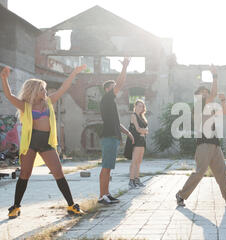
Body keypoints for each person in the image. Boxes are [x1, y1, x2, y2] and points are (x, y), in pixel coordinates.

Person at [1, 65, 86, 219]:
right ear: (34, 91)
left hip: (46, 143)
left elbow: (63, 88)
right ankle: (16, 207)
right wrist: (4, 78)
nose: (45, 92)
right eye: (42, 89)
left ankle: (71, 205)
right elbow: (9, 95)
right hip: (31, 142)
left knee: (58, 173)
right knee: (25, 174)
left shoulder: (48, 103)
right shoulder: (25, 106)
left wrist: (73, 73)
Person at [176, 65, 226, 207]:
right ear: (197, 95)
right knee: (199, 173)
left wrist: (223, 101)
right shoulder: (198, 105)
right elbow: (213, 94)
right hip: (204, 144)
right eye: (202, 92)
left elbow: (223, 112)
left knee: (221, 172)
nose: (204, 93)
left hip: (215, 144)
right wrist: (215, 76)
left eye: (206, 92)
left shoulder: (209, 107)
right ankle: (180, 195)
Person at [98, 57, 135, 205]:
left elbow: (117, 123)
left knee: (109, 168)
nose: (116, 89)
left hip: (112, 137)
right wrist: (125, 66)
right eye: (113, 87)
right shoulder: (107, 98)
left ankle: (106, 193)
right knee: (106, 167)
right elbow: (120, 83)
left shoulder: (110, 103)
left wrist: (128, 133)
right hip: (108, 137)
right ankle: (102, 196)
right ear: (108, 89)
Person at [124, 99, 148, 189]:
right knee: (134, 161)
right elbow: (138, 129)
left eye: (142, 106)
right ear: (135, 106)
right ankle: (131, 180)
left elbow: (146, 130)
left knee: (139, 161)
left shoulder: (142, 117)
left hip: (142, 140)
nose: (140, 108)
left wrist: (144, 131)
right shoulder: (133, 116)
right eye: (139, 106)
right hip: (136, 140)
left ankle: (137, 179)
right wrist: (144, 131)